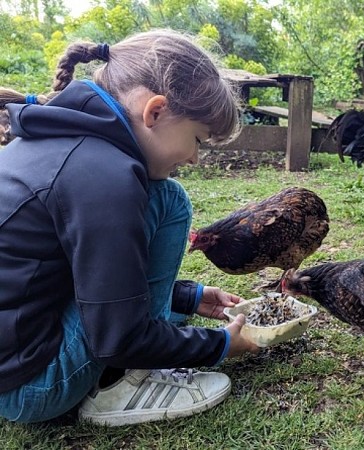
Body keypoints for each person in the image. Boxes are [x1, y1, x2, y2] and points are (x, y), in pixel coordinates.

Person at [0, 29, 261, 426]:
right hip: (31, 385)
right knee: (169, 198)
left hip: (12, 360)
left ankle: (155, 328)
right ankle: (126, 380)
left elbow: (73, 273)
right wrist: (221, 344)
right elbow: (118, 336)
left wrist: (186, 298)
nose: (193, 158)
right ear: (154, 111)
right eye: (197, 140)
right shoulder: (106, 177)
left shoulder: (59, 140)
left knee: (161, 200)